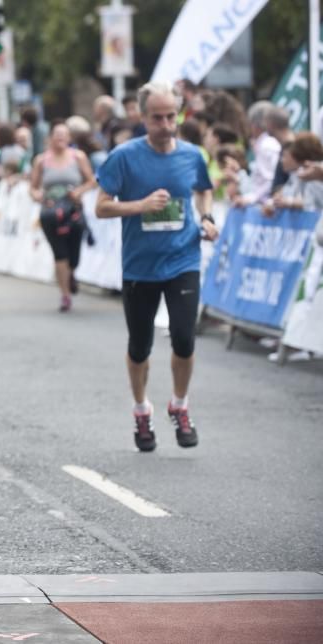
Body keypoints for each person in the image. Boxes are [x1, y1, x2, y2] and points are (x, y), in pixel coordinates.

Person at [95, 81, 217, 453]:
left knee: (184, 337)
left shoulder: (192, 154)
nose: (165, 124)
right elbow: (102, 206)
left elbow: (203, 187)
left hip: (183, 258)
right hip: (140, 266)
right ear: (142, 117)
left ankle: (179, 405)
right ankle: (141, 409)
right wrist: (139, 205)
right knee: (140, 346)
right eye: (157, 118)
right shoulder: (124, 156)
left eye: (171, 116)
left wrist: (207, 216)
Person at [29, 121, 96, 312]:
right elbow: (32, 187)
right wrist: (37, 195)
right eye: (56, 134)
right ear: (50, 138)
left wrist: (79, 191)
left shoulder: (78, 157)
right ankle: (65, 295)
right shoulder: (41, 160)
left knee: (74, 254)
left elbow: (92, 180)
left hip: (73, 211)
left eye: (63, 135)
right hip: (50, 212)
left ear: (69, 138)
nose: (60, 138)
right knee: (60, 253)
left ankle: (71, 273)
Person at [239, 101, 282, 206]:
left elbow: (270, 179)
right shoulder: (265, 144)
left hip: (266, 205)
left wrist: (252, 198)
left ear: (254, 125)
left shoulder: (266, 146)